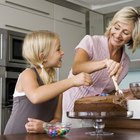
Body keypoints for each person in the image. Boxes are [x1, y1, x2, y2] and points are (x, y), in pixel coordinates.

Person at [25, 6, 140, 133]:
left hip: (98, 116)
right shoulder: (90, 42)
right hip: (72, 109)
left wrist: (123, 94)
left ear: (133, 36)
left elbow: (106, 92)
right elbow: (77, 68)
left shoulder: (125, 62)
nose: (118, 35)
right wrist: (105, 62)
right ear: (112, 25)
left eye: (125, 32)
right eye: (116, 27)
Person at [4, 30, 92, 134]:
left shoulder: (57, 87)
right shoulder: (28, 74)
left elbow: (57, 121)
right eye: (58, 49)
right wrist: (72, 81)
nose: (62, 52)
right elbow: (35, 96)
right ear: (43, 57)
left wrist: (46, 126)